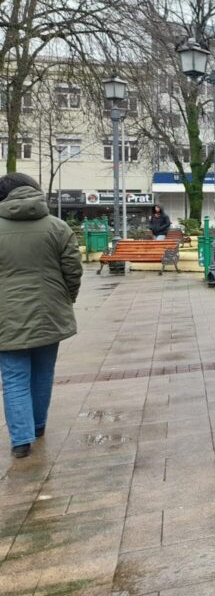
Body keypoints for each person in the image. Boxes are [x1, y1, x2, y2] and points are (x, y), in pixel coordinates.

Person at [0, 173, 83, 458]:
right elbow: (73, 270)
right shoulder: (58, 227)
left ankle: (21, 440)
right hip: (50, 311)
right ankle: (38, 425)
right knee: (43, 373)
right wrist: (67, 298)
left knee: (13, 377)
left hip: (5, 317)